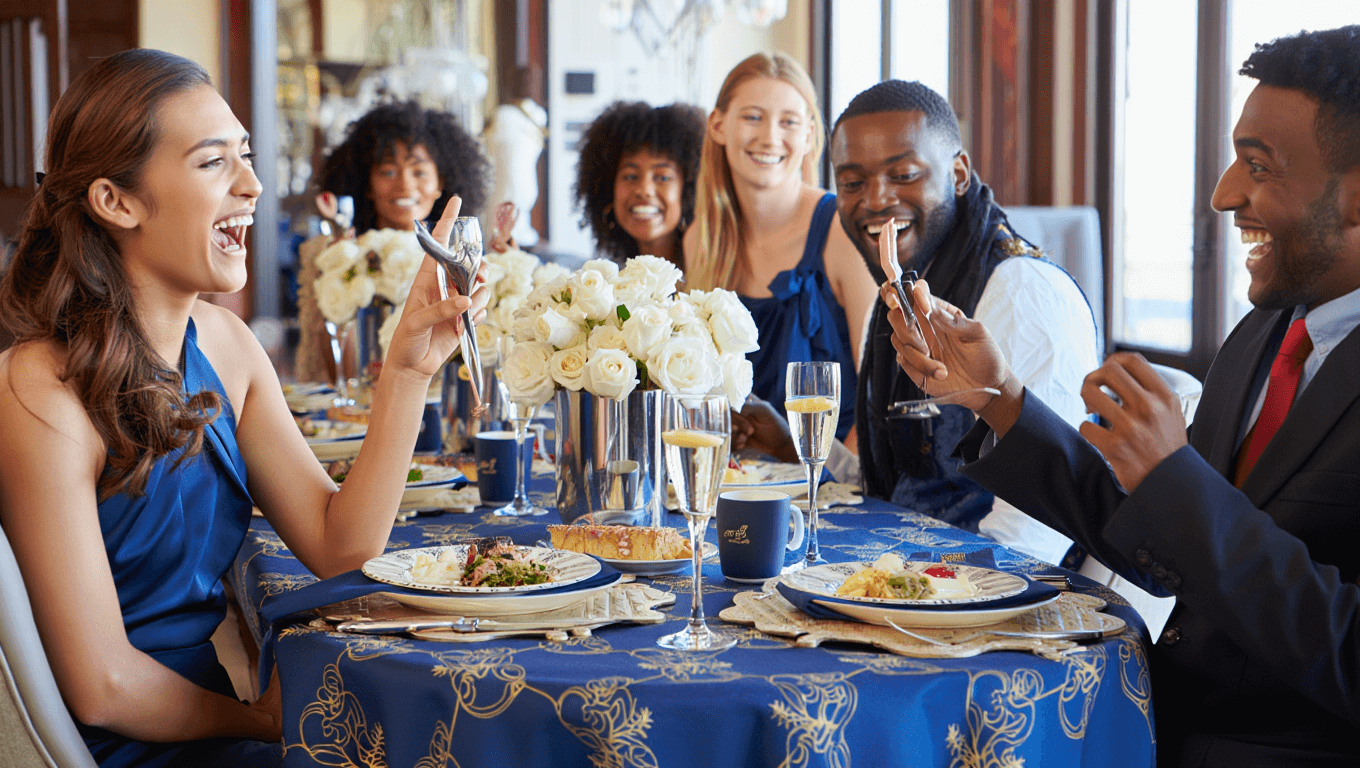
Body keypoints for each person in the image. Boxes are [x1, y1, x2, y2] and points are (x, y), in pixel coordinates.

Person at [883, 26, 1360, 764]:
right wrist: (999, 397)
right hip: (1147, 720)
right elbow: (1160, 548)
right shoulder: (1262, 333)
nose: (1224, 192)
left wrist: (1182, 488)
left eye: (1259, 166)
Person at [0, 49, 486, 767]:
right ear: (117, 200)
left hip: (211, 725)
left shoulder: (225, 344)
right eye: (212, 163)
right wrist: (259, 721)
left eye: (248, 156)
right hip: (129, 747)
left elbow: (340, 546)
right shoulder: (38, 389)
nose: (253, 185)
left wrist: (407, 372)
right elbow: (102, 687)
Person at [734, 79, 1099, 565]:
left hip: (980, 604)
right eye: (852, 183)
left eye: (903, 174)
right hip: (899, 573)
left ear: (959, 173)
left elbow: (1034, 537)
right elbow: (892, 485)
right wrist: (790, 448)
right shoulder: (902, 288)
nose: (877, 200)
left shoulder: (1022, 292)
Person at [685, 52, 878, 444]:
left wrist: (836, 491)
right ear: (718, 125)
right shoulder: (699, 242)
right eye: (752, 117)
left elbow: (878, 398)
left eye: (788, 122)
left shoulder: (841, 231)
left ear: (808, 136)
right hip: (743, 480)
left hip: (838, 483)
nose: (770, 137)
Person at [295, 100, 491, 382]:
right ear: (368, 185)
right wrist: (341, 260)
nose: (405, 184)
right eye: (388, 171)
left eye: (419, 172)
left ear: (441, 184)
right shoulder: (331, 255)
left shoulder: (459, 260)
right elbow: (335, 369)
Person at [573, 100, 706, 268]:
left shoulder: (712, 282)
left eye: (662, 177)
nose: (644, 190)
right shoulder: (606, 282)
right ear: (608, 189)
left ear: (689, 191)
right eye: (630, 176)